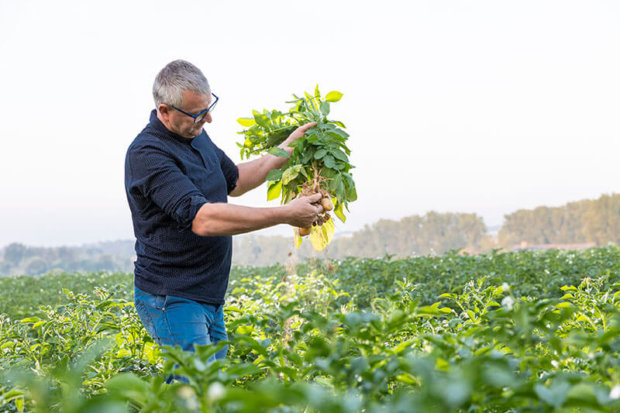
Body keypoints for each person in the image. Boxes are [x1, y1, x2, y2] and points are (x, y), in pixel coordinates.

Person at [125, 59, 323, 361]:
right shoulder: (148, 154)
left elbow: (236, 180)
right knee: (197, 392)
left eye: (208, 109)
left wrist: (288, 148)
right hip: (173, 297)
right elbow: (203, 219)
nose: (207, 120)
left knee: (210, 390)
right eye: (197, 114)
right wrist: (285, 214)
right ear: (164, 111)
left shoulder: (196, 133)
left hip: (208, 295)